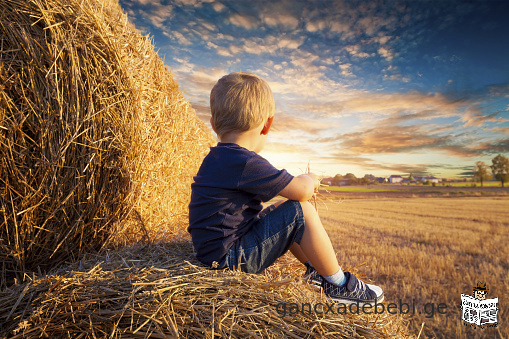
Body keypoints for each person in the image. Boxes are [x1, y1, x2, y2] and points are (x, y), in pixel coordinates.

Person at [188, 71, 383, 305]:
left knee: (283, 209)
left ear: (212, 124)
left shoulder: (218, 158)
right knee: (301, 211)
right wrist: (311, 178)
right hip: (228, 260)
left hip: (213, 253)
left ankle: (315, 272)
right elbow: (301, 191)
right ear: (267, 125)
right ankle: (340, 286)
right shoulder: (244, 161)